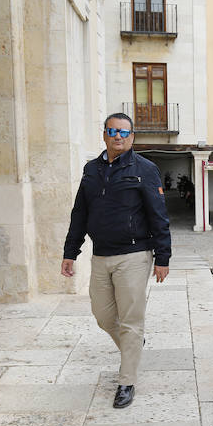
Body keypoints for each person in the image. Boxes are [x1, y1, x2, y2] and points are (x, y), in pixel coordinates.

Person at [61, 113, 171, 409]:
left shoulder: (145, 169)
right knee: (103, 315)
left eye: (124, 132)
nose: (118, 136)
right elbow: (79, 214)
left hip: (134, 255)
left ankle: (127, 381)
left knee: (131, 321)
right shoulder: (91, 170)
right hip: (101, 255)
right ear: (104, 134)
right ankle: (133, 345)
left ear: (132, 137)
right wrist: (71, 252)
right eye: (112, 131)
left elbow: (158, 215)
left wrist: (163, 256)